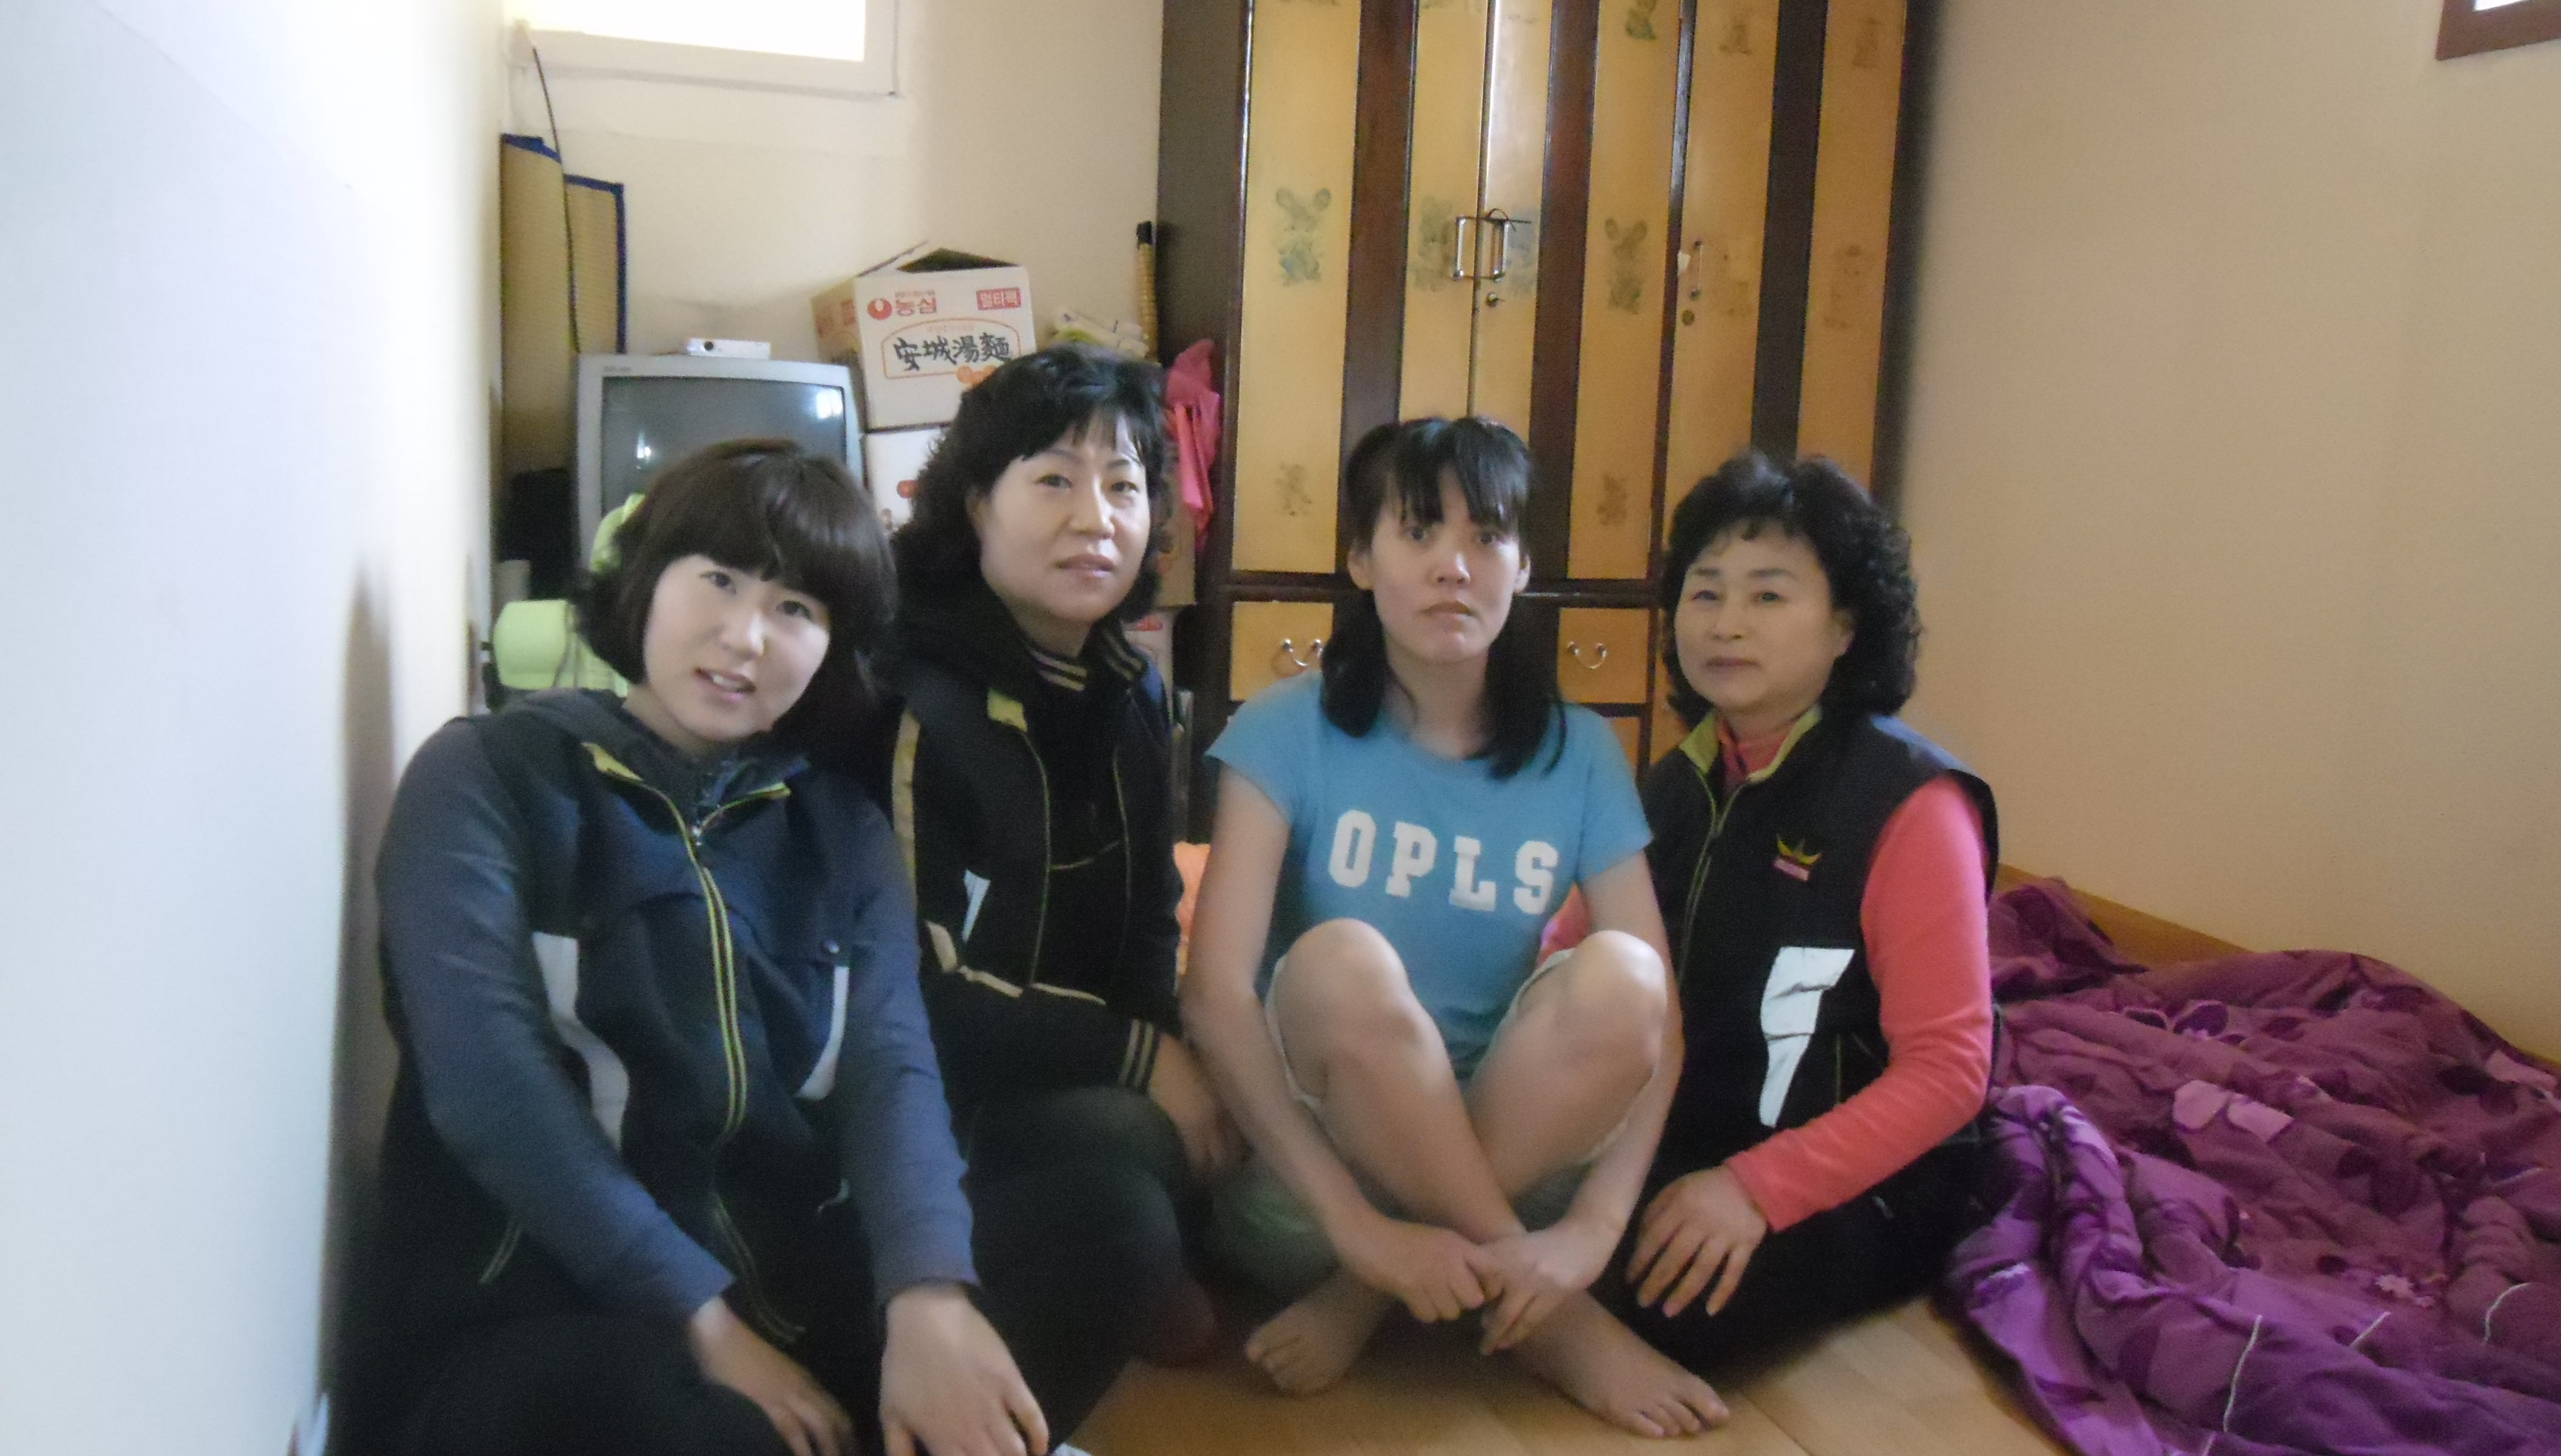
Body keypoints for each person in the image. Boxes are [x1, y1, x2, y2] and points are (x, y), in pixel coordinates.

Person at [350, 440, 1066, 1456]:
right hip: (533, 1308)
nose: (745, 637)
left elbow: (889, 1068)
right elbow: (488, 1087)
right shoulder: (487, 775)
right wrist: (702, 1321)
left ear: (833, 649)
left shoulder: (842, 831)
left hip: (776, 1278)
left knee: (1101, 1221)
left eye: (796, 608)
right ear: (648, 579)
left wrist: (927, 1297)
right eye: (719, 579)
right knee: (689, 1421)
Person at [1184, 417, 1734, 1438]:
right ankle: (1550, 1324)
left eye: (1487, 536)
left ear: (1522, 567)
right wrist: (1358, 1234)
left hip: (1525, 1163)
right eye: (1419, 531)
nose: (1454, 565)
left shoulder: (1579, 753)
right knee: (1340, 962)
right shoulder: (1284, 728)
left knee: (1625, 974)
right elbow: (1214, 997)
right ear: (1361, 558)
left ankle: (1375, 1299)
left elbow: (1660, 1025)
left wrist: (1597, 1224)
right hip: (1312, 1188)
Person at [874, 344, 1231, 1390]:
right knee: (1141, 1144)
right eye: (1054, 481)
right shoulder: (914, 698)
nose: (1097, 519)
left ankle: (1151, 1240)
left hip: (1067, 1063)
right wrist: (1143, 1060)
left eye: (1124, 486)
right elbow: (914, 992)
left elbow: (1153, 912)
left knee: (1245, 1101)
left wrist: (1174, 1048)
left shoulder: (1129, 686)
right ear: (976, 504)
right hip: (939, 1100)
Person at [1607, 450, 1997, 1368]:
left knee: (1683, 1304)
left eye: (1769, 595)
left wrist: (1754, 1189)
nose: (1727, 624)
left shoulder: (1910, 801)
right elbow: (1576, 952)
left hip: (1860, 1171)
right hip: (1687, 1131)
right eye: (1705, 593)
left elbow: (1949, 1070)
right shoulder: (1675, 781)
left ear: (1846, 626)